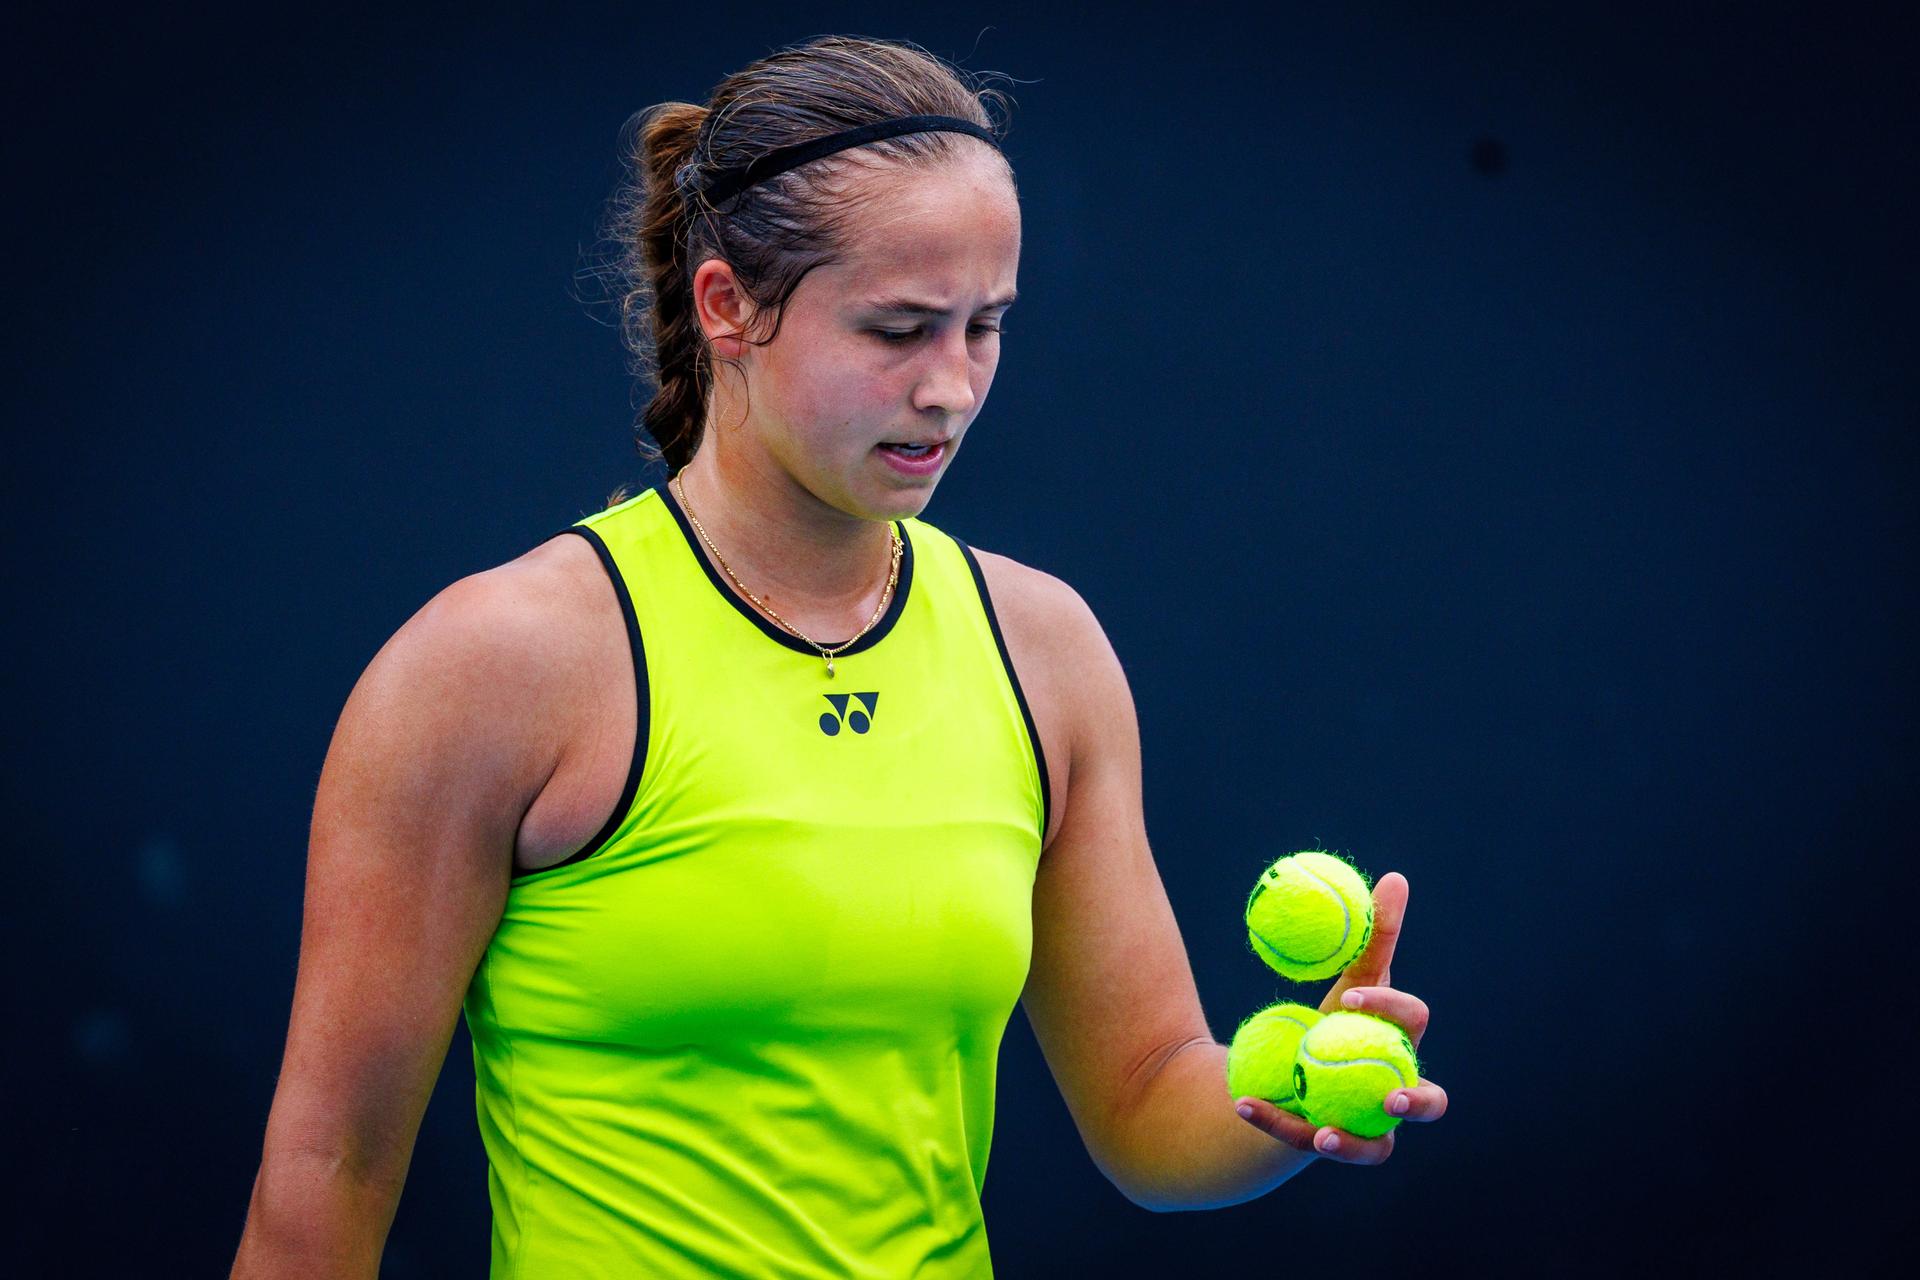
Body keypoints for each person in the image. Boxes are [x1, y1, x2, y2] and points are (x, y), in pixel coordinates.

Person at [229, 33, 1446, 1279]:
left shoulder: (1046, 649)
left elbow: (1147, 1103)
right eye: (900, 328)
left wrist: (1301, 1091)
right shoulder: (491, 665)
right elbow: (328, 1175)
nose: (952, 388)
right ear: (727, 307)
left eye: (985, 327)